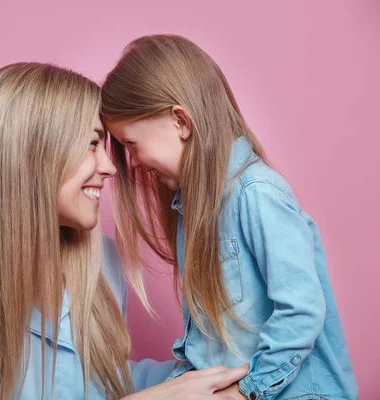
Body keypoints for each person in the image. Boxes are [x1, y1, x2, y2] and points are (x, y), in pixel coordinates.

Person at [0, 62, 246, 399]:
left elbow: (103, 383)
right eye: (90, 144)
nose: (110, 167)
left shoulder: (102, 265)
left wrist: (210, 378)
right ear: (32, 158)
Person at [102, 34, 358, 400]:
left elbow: (301, 312)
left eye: (131, 144)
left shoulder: (256, 193)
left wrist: (245, 391)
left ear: (180, 122)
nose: (135, 162)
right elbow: (212, 340)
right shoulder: (192, 209)